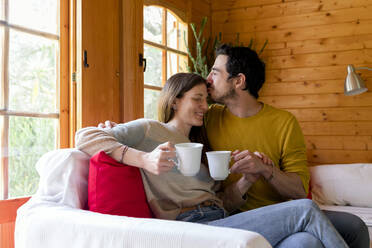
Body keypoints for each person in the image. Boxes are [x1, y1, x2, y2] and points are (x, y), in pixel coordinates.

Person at [76, 72, 348, 248]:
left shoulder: (201, 148)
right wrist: (144, 159)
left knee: (304, 242)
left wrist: (248, 180)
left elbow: (223, 202)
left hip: (220, 219)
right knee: (305, 208)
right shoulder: (150, 130)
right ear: (175, 101)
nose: (205, 107)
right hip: (192, 228)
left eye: (206, 100)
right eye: (198, 99)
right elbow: (85, 136)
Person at [204, 44, 370, 248]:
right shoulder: (207, 118)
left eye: (214, 73)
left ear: (239, 81)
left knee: (355, 225)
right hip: (239, 220)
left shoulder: (284, 122)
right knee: (306, 242)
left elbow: (299, 192)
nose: (207, 80)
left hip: (285, 214)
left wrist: (266, 169)